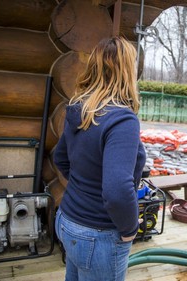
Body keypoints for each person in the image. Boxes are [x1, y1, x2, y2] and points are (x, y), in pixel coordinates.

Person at [54, 36, 146, 281]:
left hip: (66, 220)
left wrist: (84, 188)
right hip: (98, 235)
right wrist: (129, 229)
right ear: (127, 71)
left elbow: (60, 158)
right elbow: (117, 190)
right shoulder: (122, 120)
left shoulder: (80, 109)